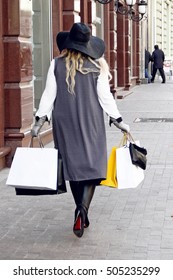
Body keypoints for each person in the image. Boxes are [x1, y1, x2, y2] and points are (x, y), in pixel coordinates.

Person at [31, 22, 130, 238]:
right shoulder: (97, 67)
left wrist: (39, 121)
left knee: (74, 169)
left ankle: (79, 210)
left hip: (64, 123)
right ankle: (82, 210)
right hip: (91, 122)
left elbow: (49, 95)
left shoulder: (56, 65)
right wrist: (118, 120)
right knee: (93, 168)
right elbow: (105, 98)